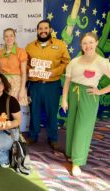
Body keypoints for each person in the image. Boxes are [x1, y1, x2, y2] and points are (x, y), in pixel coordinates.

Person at [61, 32, 110, 176]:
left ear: (96, 43)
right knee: (71, 125)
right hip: (73, 94)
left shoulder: (102, 62)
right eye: (84, 43)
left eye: (90, 42)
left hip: (89, 96)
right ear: (81, 45)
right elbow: (67, 82)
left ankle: (77, 161)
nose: (87, 46)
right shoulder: (74, 61)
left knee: (83, 128)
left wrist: (100, 92)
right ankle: (71, 153)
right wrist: (64, 99)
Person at [26, 19, 70, 149]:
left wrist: (54, 72)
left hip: (52, 85)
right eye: (40, 28)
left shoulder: (60, 45)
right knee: (34, 112)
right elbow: (25, 64)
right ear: (37, 30)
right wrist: (30, 70)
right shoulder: (30, 46)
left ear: (50, 30)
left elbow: (66, 62)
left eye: (46, 28)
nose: (43, 31)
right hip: (35, 85)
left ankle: (53, 138)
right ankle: (33, 136)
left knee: (52, 112)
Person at [0, 28, 28, 106]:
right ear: (3, 38)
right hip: (3, 84)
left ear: (14, 37)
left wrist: (22, 89)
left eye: (11, 36)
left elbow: (24, 72)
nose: (9, 38)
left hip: (17, 84)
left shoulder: (21, 51)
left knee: (15, 109)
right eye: (6, 36)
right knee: (3, 109)